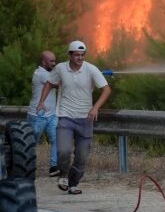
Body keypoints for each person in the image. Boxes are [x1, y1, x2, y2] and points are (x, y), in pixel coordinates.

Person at [36, 40, 111, 195]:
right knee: (63, 150)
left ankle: (73, 183)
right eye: (77, 55)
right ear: (69, 55)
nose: (80, 58)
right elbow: (49, 83)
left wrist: (95, 108)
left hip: (85, 120)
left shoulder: (91, 69)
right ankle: (63, 174)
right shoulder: (60, 69)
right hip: (65, 117)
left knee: (82, 156)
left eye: (83, 55)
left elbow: (106, 89)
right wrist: (41, 102)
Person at [27, 50, 60, 177]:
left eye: (54, 60)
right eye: (51, 61)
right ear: (43, 62)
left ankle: (53, 167)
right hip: (37, 115)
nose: (54, 63)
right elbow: (57, 84)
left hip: (51, 115)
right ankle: (27, 168)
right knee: (31, 142)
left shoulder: (48, 73)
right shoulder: (41, 74)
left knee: (55, 140)